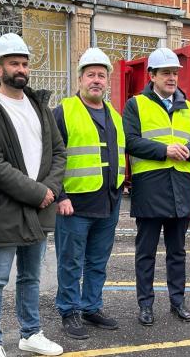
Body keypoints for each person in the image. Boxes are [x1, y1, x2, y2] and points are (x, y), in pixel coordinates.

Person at [0, 33, 65, 357]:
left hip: (40, 206)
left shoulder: (40, 105)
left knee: (30, 277)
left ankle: (30, 333)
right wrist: (38, 192)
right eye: (14, 63)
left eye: (24, 63)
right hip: (5, 209)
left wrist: (50, 190)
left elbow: (59, 152)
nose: (21, 69)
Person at [122, 47, 190, 326]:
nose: (172, 78)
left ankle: (178, 302)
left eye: (175, 73)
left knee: (177, 252)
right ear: (152, 76)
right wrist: (164, 150)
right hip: (150, 188)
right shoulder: (136, 104)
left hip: (180, 188)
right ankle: (145, 305)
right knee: (145, 252)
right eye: (166, 73)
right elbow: (131, 141)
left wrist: (189, 151)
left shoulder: (188, 106)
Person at [52, 48, 125, 340]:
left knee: (97, 261)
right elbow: (51, 157)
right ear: (80, 78)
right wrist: (59, 196)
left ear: (107, 81)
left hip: (108, 202)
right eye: (91, 75)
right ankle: (69, 310)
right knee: (70, 260)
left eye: (101, 75)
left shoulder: (116, 116)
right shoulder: (63, 112)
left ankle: (91, 307)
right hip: (74, 204)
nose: (96, 80)